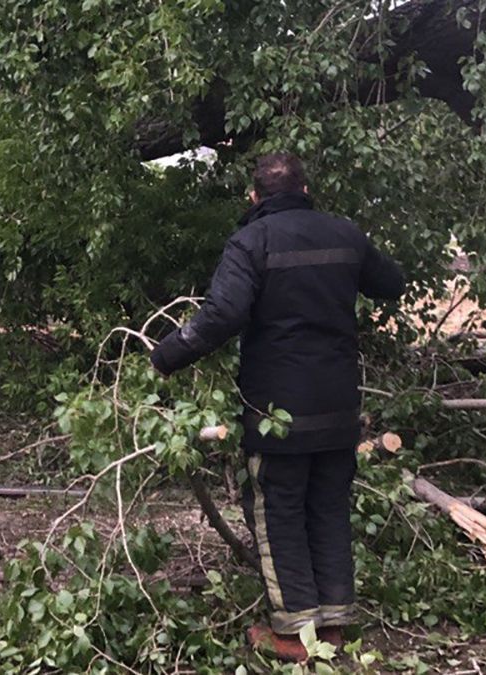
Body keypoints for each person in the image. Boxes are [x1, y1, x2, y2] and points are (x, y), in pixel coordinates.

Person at [150, 153, 404, 661]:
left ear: (254, 197)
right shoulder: (345, 234)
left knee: (281, 511)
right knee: (328, 506)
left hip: (277, 412)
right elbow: (391, 283)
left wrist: (166, 355)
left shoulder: (252, 241)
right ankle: (333, 625)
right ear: (306, 190)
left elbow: (223, 314)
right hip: (337, 405)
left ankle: (294, 635)